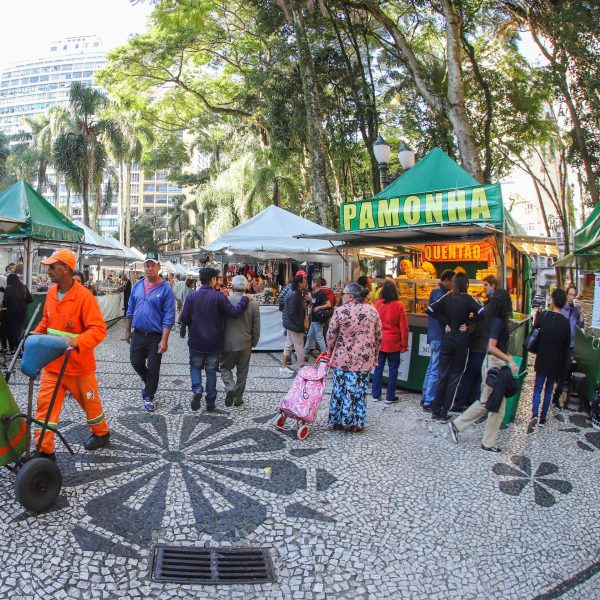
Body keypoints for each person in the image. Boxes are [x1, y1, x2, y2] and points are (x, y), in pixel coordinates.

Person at [32, 249, 110, 459]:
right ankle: (44, 451)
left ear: (65, 269)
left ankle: (101, 433)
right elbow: (47, 322)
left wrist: (77, 341)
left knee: (90, 405)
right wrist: (34, 334)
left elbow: (98, 329)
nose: (48, 271)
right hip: (52, 366)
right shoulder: (50, 293)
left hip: (78, 367)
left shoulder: (84, 297)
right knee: (45, 408)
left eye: (52, 267)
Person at [448, 288, 518, 453]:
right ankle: (463, 429)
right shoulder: (498, 322)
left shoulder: (494, 319)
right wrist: (509, 359)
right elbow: (492, 347)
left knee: (492, 404)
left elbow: (497, 346)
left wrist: (508, 357)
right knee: (490, 404)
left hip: (494, 363)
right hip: (494, 364)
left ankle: (482, 439)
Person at [181, 267, 250, 412]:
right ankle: (210, 401)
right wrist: (244, 298)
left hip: (196, 341)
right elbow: (234, 312)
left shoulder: (192, 297)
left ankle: (197, 390)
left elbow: (185, 318)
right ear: (212, 280)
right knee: (211, 371)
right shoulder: (218, 297)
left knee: (195, 367)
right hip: (213, 342)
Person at [427, 272, 485, 423]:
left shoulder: (447, 297)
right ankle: (445, 411)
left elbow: (430, 310)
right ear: (466, 284)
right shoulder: (468, 299)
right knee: (455, 377)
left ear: (454, 283)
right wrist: (469, 323)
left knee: (442, 375)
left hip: (447, 340)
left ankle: (435, 411)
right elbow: (482, 312)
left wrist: (444, 322)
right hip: (461, 342)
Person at [327, 283, 382, 432]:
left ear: (350, 296)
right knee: (359, 390)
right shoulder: (372, 311)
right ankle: (356, 423)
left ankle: (337, 421)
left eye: (344, 294)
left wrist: (329, 353)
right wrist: (374, 355)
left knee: (339, 389)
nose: (342, 296)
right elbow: (378, 337)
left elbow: (331, 335)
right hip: (363, 360)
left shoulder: (340, 311)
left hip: (342, 358)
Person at [125, 251, 176, 412]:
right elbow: (130, 309)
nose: (149, 268)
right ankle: (150, 382)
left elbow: (169, 316)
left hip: (155, 336)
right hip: (138, 333)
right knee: (135, 362)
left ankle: (148, 395)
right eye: (147, 265)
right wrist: (127, 330)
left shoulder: (166, 289)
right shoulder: (138, 285)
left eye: (153, 265)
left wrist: (164, 339)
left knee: (154, 367)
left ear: (158, 267)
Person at [528, 288, 571, 432]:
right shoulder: (566, 323)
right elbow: (566, 347)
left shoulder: (544, 316)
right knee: (548, 390)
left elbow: (534, 330)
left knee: (538, 387)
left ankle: (534, 414)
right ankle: (542, 419)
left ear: (552, 300)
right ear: (564, 302)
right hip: (556, 362)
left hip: (542, 358)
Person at [453, 275, 498, 412]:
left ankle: (462, 404)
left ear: (493, 285)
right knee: (479, 377)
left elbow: (482, 320)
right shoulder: (491, 302)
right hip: (483, 343)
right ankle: (476, 406)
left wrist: (469, 324)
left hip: (480, 343)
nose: (484, 288)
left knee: (471, 375)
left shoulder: (492, 304)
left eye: (486, 285)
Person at [220, 275, 260, 407]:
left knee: (225, 367)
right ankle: (237, 399)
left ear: (232, 286)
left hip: (228, 343)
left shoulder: (226, 300)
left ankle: (230, 387)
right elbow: (256, 326)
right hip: (245, 343)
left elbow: (221, 323)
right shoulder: (253, 303)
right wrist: (254, 342)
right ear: (246, 286)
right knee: (242, 372)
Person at [421, 270, 455, 412]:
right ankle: (429, 400)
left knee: (431, 367)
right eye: (452, 280)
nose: (453, 284)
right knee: (435, 368)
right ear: (446, 280)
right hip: (438, 336)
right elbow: (440, 313)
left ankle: (425, 395)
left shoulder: (436, 292)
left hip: (433, 335)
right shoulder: (439, 294)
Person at [371, 280, 408, 404]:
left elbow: (373, 323)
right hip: (394, 343)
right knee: (393, 370)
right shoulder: (399, 305)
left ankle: (375, 394)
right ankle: (390, 397)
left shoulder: (378, 303)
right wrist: (404, 345)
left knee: (378, 368)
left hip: (380, 342)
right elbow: (404, 327)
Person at [552, 284, 584, 409]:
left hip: (570, 346)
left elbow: (581, 325)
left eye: (573, 295)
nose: (571, 297)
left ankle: (556, 397)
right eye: (570, 294)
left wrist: (580, 311)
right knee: (556, 371)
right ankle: (551, 392)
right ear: (566, 295)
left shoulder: (575, 310)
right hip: (560, 345)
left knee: (565, 373)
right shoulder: (561, 308)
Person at [280, 275, 307, 374]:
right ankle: (302, 367)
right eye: (304, 281)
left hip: (290, 323)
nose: (305, 283)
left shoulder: (295, 292)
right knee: (299, 347)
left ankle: (283, 366)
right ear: (299, 283)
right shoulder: (295, 294)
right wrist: (300, 324)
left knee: (289, 345)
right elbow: (292, 312)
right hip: (294, 324)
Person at [2, 273, 33, 352]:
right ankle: (20, 347)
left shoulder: (8, 288)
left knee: (11, 331)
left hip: (11, 313)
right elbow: (30, 300)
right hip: (22, 313)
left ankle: (15, 349)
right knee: (18, 330)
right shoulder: (24, 287)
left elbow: (5, 303)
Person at [303, 277, 332, 357]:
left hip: (318, 319)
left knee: (319, 337)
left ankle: (325, 355)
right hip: (314, 318)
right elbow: (314, 303)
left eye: (312, 283)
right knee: (310, 336)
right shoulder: (314, 293)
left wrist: (319, 307)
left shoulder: (321, 293)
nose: (311, 285)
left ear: (315, 284)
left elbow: (328, 304)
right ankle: (304, 352)